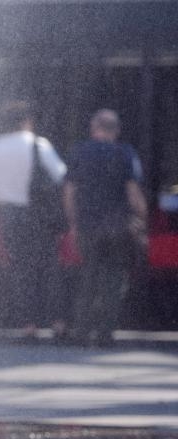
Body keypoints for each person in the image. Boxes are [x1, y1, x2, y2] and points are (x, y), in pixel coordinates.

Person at [0, 100, 67, 336]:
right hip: (39, 213)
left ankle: (28, 325)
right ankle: (56, 322)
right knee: (49, 267)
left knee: (21, 269)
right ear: (27, 121)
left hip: (10, 215)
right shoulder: (39, 144)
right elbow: (60, 175)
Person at [62, 109, 148, 346]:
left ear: (93, 128)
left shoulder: (78, 152)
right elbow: (133, 192)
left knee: (88, 277)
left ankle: (81, 332)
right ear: (116, 131)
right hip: (117, 227)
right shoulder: (126, 153)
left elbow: (69, 192)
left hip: (88, 225)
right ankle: (105, 334)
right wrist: (142, 219)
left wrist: (73, 223)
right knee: (113, 280)